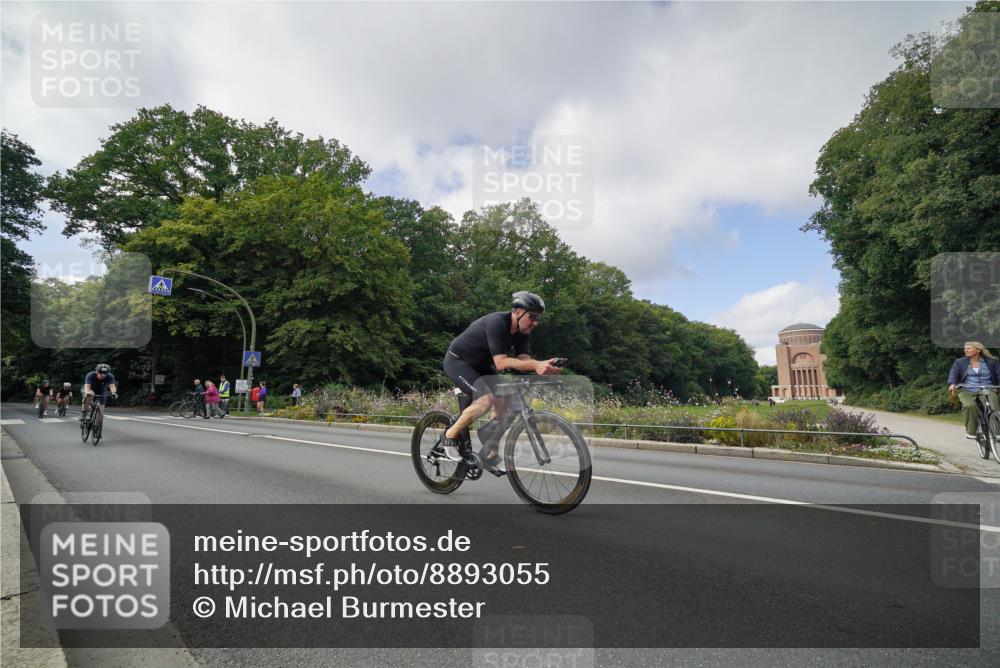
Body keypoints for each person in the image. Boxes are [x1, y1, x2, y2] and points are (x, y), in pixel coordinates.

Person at [440, 291, 563, 471]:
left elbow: (523, 362)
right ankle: (449, 436)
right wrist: (536, 365)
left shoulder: (523, 333)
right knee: (486, 399)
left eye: (538, 318)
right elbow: (501, 363)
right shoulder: (497, 323)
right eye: (532, 317)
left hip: (481, 366)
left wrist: (543, 369)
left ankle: (489, 448)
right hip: (459, 362)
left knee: (507, 400)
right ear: (517, 312)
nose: (535, 322)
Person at [948, 341, 1000, 440]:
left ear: (978, 350)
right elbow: (953, 374)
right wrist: (952, 384)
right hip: (967, 389)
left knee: (994, 405)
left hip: (987, 388)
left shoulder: (992, 362)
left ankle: (997, 432)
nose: (965, 350)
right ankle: (971, 432)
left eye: (968, 348)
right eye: (965, 348)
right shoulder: (960, 362)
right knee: (969, 406)